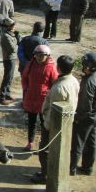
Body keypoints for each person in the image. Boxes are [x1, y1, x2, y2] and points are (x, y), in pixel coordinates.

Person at [31, 55, 79, 184]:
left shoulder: (60, 87)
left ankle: (46, 175)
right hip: (68, 122)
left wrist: (46, 124)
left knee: (45, 151)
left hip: (54, 125)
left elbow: (54, 110)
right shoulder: (73, 80)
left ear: (58, 68)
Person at [21, 45, 58, 151]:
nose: (39, 57)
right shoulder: (30, 65)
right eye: (37, 55)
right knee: (31, 122)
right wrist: (26, 89)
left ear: (47, 56)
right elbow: (24, 78)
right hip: (31, 97)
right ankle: (30, 142)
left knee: (44, 123)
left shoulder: (51, 67)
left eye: (42, 55)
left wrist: (48, 94)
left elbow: (54, 83)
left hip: (44, 100)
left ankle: (44, 144)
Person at [70, 52, 96, 176]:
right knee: (91, 142)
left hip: (86, 116)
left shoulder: (89, 81)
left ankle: (71, 168)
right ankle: (88, 167)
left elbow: (85, 103)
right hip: (94, 116)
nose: (83, 66)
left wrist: (78, 118)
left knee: (78, 143)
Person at [0, 18, 19, 105]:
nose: (15, 27)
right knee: (7, 78)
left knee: (10, 78)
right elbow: (12, 49)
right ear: (9, 27)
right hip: (9, 58)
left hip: (13, 58)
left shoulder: (11, 34)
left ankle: (7, 94)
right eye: (13, 25)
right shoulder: (6, 36)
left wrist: (17, 36)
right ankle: (2, 97)